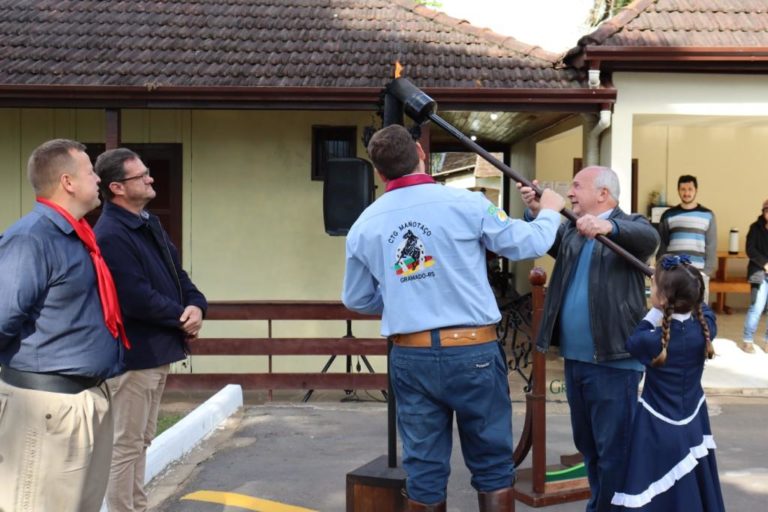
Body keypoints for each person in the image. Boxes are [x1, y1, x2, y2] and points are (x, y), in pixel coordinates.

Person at [342, 125, 565, 512]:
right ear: (420, 153)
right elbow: (527, 242)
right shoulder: (466, 204)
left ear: (379, 173)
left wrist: (404, 296)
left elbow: (356, 297)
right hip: (473, 351)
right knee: (493, 464)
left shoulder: (364, 224)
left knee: (424, 469)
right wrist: (549, 213)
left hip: (411, 355)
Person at [518, 166, 660, 512]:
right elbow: (548, 238)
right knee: (589, 447)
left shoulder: (628, 226)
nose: (570, 193)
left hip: (614, 361)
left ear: (603, 194)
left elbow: (649, 238)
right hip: (577, 360)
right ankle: (600, 505)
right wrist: (538, 211)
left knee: (615, 451)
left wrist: (608, 226)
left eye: (577, 186)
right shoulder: (573, 231)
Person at [0, 139, 127, 512]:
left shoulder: (77, 237)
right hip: (47, 408)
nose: (98, 178)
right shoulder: (31, 238)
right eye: (90, 171)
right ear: (68, 182)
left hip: (85, 402)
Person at [93, 148, 208, 512]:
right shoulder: (110, 234)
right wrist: (181, 316)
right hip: (134, 356)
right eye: (140, 175)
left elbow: (178, 276)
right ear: (117, 188)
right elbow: (134, 297)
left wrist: (196, 305)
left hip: (158, 351)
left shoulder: (147, 221)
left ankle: (137, 507)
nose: (150, 178)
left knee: (141, 440)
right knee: (126, 445)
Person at [611, 254, 725, 511]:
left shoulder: (652, 341)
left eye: (654, 286)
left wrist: (655, 309)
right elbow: (705, 310)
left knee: (653, 486)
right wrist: (677, 285)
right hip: (694, 421)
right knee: (688, 485)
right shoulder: (705, 329)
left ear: (662, 299)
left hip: (655, 427)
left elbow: (633, 341)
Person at [657, 175, 717, 299]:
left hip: (699, 272)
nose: (686, 193)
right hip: (674, 272)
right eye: (683, 189)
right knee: (674, 309)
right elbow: (662, 245)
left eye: (690, 189)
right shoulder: (668, 215)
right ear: (678, 191)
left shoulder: (708, 215)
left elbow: (711, 245)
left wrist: (706, 272)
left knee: (700, 311)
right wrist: (662, 269)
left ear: (696, 190)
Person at [740, 199, 768, 353]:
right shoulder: (755, 228)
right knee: (756, 307)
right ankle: (748, 340)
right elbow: (750, 249)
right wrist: (765, 264)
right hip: (759, 273)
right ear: (763, 211)